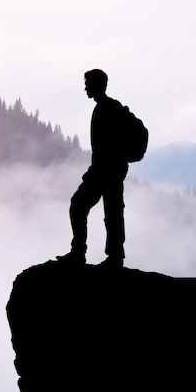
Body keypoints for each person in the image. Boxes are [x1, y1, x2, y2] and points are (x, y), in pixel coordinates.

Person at [57, 69, 129, 268]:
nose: (85, 87)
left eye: (88, 83)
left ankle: (83, 253)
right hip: (110, 170)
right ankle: (114, 257)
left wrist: (97, 169)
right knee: (111, 212)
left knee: (84, 206)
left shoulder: (106, 109)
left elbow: (106, 147)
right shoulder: (108, 107)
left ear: (98, 84)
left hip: (107, 170)